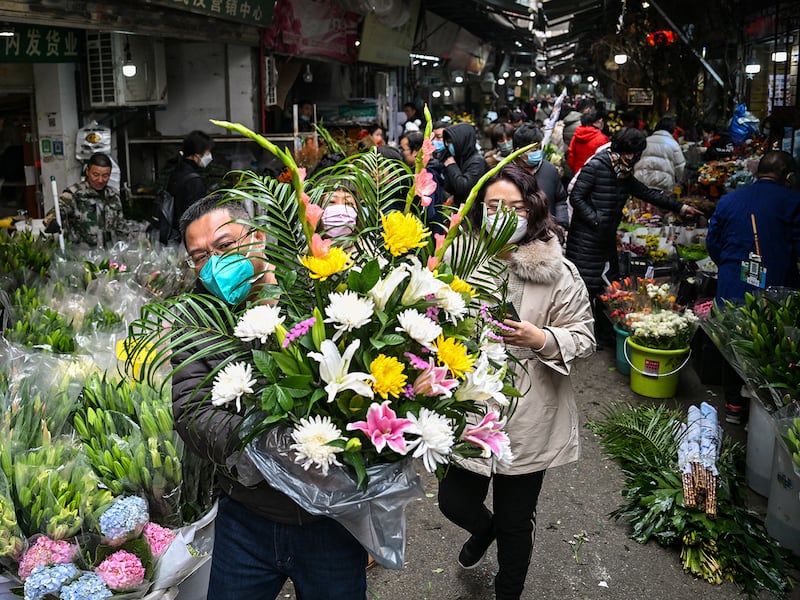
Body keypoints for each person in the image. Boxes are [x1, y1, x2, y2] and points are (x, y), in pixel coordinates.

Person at [173, 195, 369, 599]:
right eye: (200, 256)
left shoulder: (319, 291)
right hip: (247, 516)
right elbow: (191, 410)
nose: (213, 263)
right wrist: (265, 441)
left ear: (258, 237)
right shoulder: (198, 319)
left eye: (224, 246)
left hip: (329, 520)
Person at [439, 164, 595, 600]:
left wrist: (542, 338)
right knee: (454, 501)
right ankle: (481, 530)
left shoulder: (558, 272)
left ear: (533, 210)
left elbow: (584, 336)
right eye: (492, 206)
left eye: (515, 206)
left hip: (529, 415)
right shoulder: (459, 261)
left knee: (515, 521)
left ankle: (508, 591)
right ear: (478, 210)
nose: (503, 215)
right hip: (468, 409)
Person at [565, 128, 703, 346]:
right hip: (586, 239)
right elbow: (576, 197)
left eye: (635, 154)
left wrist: (681, 207)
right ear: (619, 149)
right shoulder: (597, 166)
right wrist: (595, 220)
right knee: (583, 288)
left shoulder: (623, 173)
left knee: (609, 287)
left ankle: (603, 335)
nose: (632, 158)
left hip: (606, 237)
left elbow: (646, 192)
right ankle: (577, 336)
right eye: (629, 153)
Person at [706, 151, 800, 423]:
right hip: (775, 288)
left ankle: (734, 405)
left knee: (731, 341)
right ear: (789, 177)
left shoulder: (730, 199)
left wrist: (729, 268)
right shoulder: (793, 202)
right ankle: (766, 411)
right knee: (769, 345)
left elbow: (713, 242)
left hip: (732, 284)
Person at [45, 152, 127, 247]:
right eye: (95, 175)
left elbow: (121, 226)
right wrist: (52, 221)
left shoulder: (113, 195)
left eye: (105, 176)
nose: (100, 180)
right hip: (81, 256)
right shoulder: (73, 194)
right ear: (87, 171)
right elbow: (55, 212)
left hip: (108, 255)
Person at [512, 123, 569, 230]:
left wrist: (561, 224)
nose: (538, 152)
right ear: (518, 151)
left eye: (539, 148)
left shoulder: (550, 170)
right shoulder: (506, 174)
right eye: (533, 150)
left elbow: (560, 200)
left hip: (547, 234)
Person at [167, 130, 214, 226]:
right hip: (186, 233)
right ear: (197, 155)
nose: (209, 155)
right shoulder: (194, 181)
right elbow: (196, 216)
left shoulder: (177, 171)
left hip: (174, 231)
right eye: (208, 152)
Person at [634, 117, 686, 192]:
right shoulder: (673, 144)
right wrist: (679, 182)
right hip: (662, 185)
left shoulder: (646, 140)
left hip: (642, 182)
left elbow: (635, 159)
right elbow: (680, 167)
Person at [442, 122, 488, 206]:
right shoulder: (460, 158)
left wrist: (451, 166)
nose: (449, 145)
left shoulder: (477, 162)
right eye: (447, 142)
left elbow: (464, 188)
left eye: (451, 142)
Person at [567, 109, 609, 174]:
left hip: (577, 174)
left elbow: (570, 159)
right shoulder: (603, 139)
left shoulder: (576, 136)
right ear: (599, 121)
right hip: (594, 176)